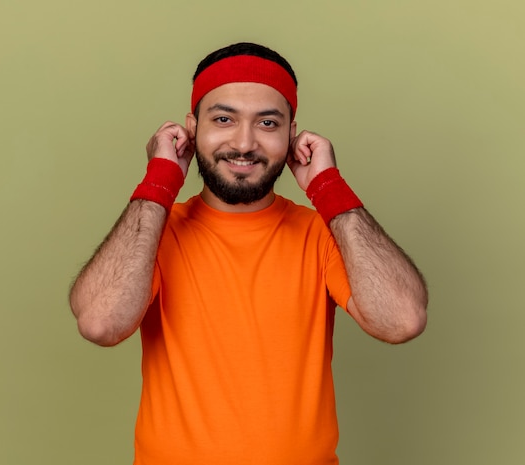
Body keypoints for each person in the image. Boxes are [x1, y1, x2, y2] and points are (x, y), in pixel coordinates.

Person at [69, 42, 428, 465]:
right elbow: (99, 322)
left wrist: (330, 190)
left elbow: (402, 319)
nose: (244, 143)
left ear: (293, 135)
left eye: (268, 123)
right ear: (191, 128)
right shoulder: (152, 237)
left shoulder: (322, 234)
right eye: (223, 119)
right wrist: (159, 183)